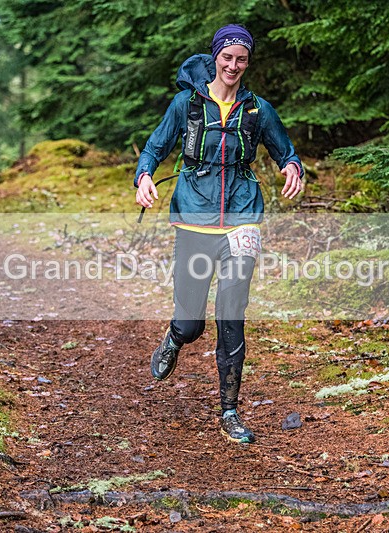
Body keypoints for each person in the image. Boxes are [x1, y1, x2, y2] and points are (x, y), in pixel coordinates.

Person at [134, 24, 303, 444]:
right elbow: (155, 147)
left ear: (248, 62)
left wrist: (293, 167)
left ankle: (229, 410)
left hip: (243, 217)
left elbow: (287, 150)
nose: (233, 65)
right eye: (227, 58)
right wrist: (144, 177)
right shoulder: (187, 104)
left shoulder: (258, 110)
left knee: (232, 311)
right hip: (194, 217)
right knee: (191, 322)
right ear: (216, 59)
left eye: (241, 59)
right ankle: (176, 338)